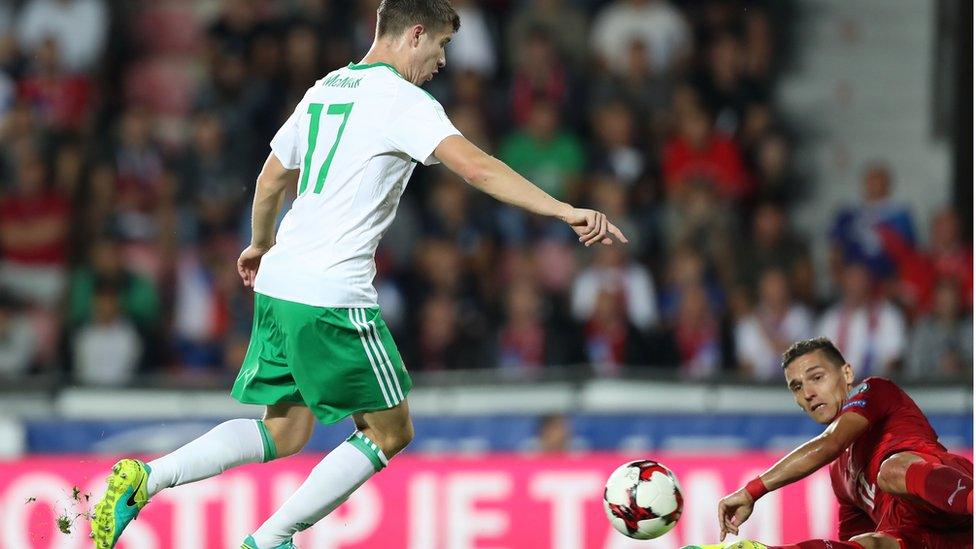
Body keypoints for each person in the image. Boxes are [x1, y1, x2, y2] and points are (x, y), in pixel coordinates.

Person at [89, 2, 627, 548]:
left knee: (285, 428)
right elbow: (478, 167)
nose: (441, 62)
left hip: (281, 281)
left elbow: (272, 176)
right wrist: (563, 210)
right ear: (416, 34)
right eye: (440, 46)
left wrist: (258, 243)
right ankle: (271, 538)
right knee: (391, 431)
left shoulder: (325, 88)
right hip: (331, 291)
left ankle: (146, 478)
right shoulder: (404, 101)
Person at [682, 337, 972, 549]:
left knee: (891, 470)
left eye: (816, 377)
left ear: (846, 374)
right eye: (796, 387)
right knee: (869, 543)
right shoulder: (840, 476)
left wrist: (752, 491)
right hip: (928, 542)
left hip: (950, 496)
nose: (808, 392)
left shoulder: (875, 390)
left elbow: (831, 442)